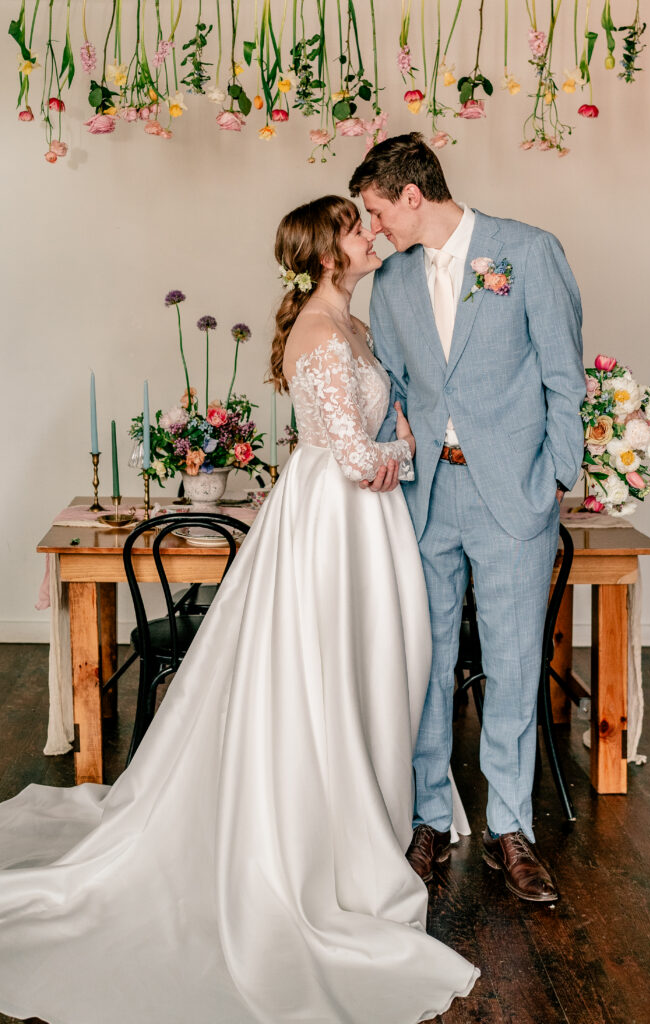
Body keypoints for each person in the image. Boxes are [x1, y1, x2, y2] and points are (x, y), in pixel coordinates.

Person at [0, 195, 478, 1024]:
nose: (372, 233)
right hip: (336, 527)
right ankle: (320, 837)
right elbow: (361, 458)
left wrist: (397, 434)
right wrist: (414, 444)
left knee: (365, 671)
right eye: (357, 227)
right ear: (329, 252)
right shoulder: (324, 336)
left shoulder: (350, 327)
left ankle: (355, 813)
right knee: (325, 671)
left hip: (355, 526)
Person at [349, 134, 585, 902]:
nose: (374, 225)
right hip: (424, 499)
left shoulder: (526, 250)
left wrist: (555, 477)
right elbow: (389, 384)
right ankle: (428, 820)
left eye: (378, 209)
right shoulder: (390, 282)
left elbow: (562, 375)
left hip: (512, 492)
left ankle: (509, 830)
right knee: (424, 662)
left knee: (515, 664)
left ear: (410, 194)